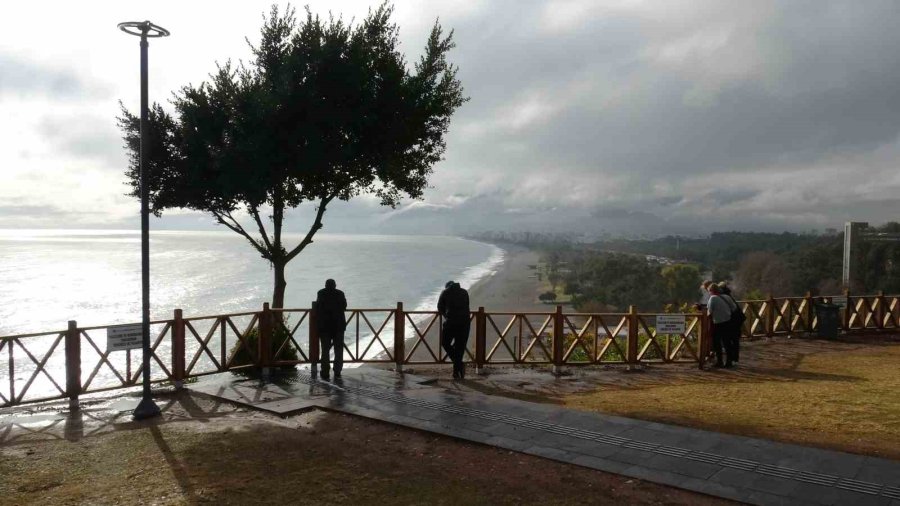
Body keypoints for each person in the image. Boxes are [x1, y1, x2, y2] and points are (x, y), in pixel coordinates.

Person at [437, 280, 470, 379]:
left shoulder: (445, 292)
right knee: (460, 348)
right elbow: (467, 306)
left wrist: (446, 315)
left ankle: (459, 366)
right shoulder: (464, 292)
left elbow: (439, 307)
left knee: (445, 343)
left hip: (451, 323)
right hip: (465, 323)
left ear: (447, 287)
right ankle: (456, 372)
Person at [316, 279, 347, 380]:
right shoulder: (340, 293)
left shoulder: (321, 293)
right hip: (338, 326)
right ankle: (337, 370)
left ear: (325, 285)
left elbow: (318, 307)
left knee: (325, 349)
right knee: (338, 349)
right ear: (335, 285)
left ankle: (325, 372)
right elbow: (344, 306)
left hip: (325, 326)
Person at [707, 283, 736, 368]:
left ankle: (719, 361)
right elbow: (734, 307)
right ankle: (729, 362)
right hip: (728, 321)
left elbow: (710, 312)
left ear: (711, 291)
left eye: (709, 291)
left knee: (717, 343)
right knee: (727, 342)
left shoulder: (712, 298)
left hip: (718, 323)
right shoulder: (726, 297)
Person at [717, 282, 741, 364]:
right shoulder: (729, 296)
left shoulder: (723, 297)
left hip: (729, 321)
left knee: (728, 341)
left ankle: (730, 360)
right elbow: (735, 308)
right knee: (734, 341)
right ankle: (734, 359)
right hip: (736, 321)